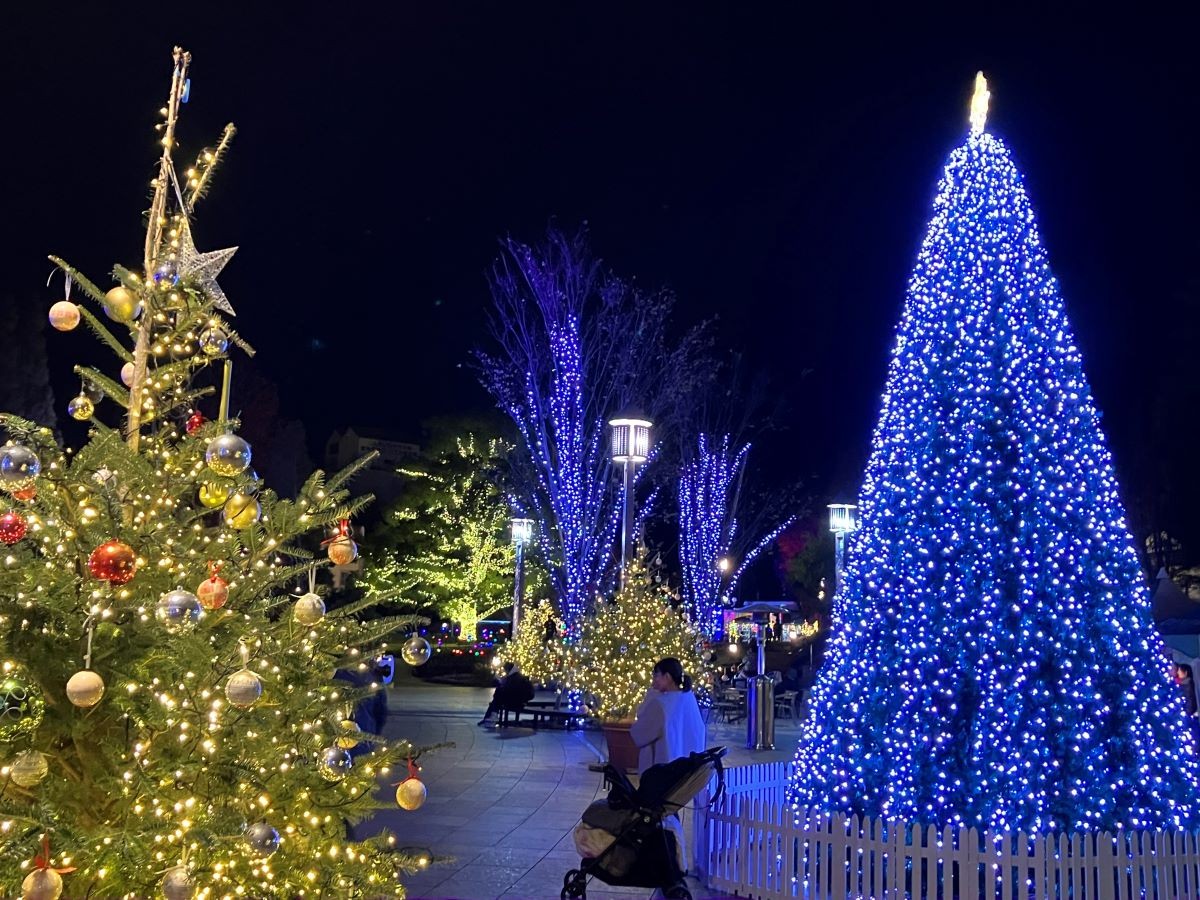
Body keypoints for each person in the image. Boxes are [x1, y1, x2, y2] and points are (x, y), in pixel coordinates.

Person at [630, 657, 707, 874]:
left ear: (667, 677)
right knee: (671, 814)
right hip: (683, 769)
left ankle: (670, 861)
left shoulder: (660, 703)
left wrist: (650, 697)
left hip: (660, 770)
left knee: (660, 815)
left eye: (656, 674)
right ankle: (674, 859)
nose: (653, 680)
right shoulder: (688, 699)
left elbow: (639, 734)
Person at [478, 661, 535, 727]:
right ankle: (490, 716)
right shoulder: (517, 676)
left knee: (496, 699)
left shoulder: (514, 678)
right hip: (519, 701)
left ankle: (490, 717)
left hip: (516, 702)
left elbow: (509, 691)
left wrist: (500, 685)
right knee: (496, 700)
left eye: (506, 670)